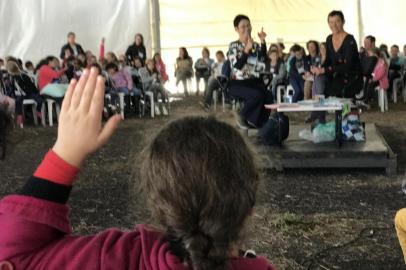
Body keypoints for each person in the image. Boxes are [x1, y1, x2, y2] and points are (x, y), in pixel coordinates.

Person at [0, 68, 277, 270]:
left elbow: (12, 252)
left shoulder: (114, 259)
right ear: (250, 203)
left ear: (159, 205)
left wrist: (66, 153)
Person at [228, 14, 271, 129]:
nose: (247, 28)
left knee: (269, 96)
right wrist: (246, 50)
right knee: (257, 95)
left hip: (254, 81)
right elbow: (236, 66)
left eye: (248, 25)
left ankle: (258, 124)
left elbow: (263, 59)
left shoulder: (255, 45)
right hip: (238, 83)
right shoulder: (233, 46)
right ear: (237, 29)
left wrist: (262, 42)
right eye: (243, 26)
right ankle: (242, 116)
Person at [311, 10, 363, 98]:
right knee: (319, 81)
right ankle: (318, 107)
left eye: (337, 21)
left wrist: (325, 70)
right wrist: (319, 69)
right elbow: (328, 61)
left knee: (342, 105)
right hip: (335, 76)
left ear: (343, 22)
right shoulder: (329, 39)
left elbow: (348, 65)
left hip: (351, 78)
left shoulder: (350, 40)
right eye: (331, 22)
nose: (334, 25)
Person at [7, 61, 43, 128]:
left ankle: (38, 111)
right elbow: (12, 88)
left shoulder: (23, 75)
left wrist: (34, 92)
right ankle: (20, 116)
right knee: (18, 101)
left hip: (29, 93)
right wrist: (11, 95)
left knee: (39, 99)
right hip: (21, 95)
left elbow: (31, 86)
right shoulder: (12, 78)